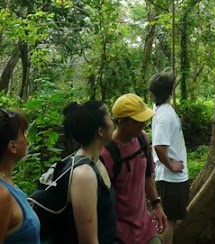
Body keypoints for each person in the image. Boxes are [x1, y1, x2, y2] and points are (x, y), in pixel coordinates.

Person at [100, 94, 167, 244]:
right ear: (122, 122)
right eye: (138, 121)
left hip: (145, 227)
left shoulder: (142, 139)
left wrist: (157, 205)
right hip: (121, 234)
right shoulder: (107, 154)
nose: (143, 124)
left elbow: (147, 176)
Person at [57, 101, 117, 244]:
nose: (113, 121)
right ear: (100, 131)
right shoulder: (84, 175)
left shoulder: (97, 161)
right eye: (109, 117)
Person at [148, 71, 189, 244]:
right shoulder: (164, 116)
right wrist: (171, 165)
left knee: (170, 220)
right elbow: (158, 146)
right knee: (169, 222)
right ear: (170, 92)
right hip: (171, 179)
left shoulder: (162, 111)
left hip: (174, 179)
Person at [0, 108, 41, 244]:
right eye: (23, 132)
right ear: (12, 146)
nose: (27, 135)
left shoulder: (8, 184)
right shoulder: (2, 194)